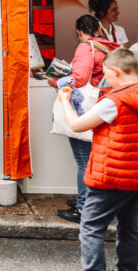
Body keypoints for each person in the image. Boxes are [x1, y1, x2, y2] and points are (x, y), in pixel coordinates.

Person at [57, 48, 138, 271]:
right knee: (131, 227)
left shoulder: (115, 101)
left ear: (115, 71)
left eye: (105, 74)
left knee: (91, 227)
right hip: (134, 178)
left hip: (111, 176)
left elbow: (77, 125)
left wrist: (65, 99)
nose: (105, 79)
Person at [46, 14, 119, 223]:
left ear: (79, 31)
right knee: (91, 158)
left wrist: (53, 80)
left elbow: (79, 78)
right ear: (98, 28)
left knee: (83, 161)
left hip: (85, 108)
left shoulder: (86, 47)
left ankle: (83, 208)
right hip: (103, 105)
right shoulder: (109, 46)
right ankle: (87, 200)